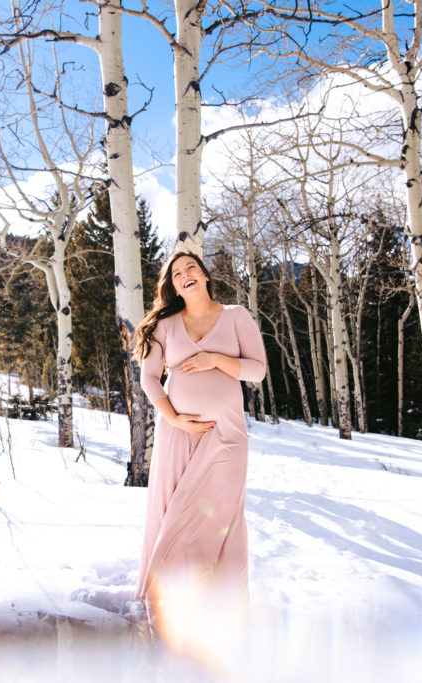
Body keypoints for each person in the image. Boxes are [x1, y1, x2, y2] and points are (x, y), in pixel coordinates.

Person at [132, 250, 267, 618]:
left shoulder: (236, 316)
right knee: (169, 508)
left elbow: (257, 370)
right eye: (177, 273)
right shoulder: (165, 325)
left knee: (222, 514)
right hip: (177, 434)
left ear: (205, 275)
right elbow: (148, 377)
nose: (185, 274)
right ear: (173, 286)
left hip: (226, 434)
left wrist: (215, 360)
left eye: (191, 267)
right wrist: (174, 419)